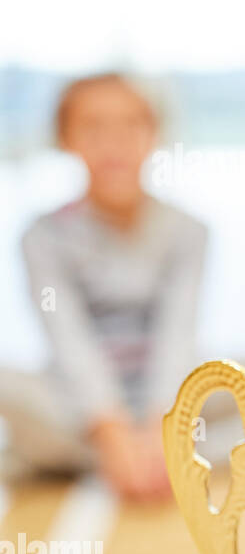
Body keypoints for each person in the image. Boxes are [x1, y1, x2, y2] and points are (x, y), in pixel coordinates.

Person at [1, 74, 206, 501]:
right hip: (77, 405)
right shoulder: (41, 236)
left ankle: (78, 460)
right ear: (65, 139)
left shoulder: (189, 231)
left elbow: (178, 334)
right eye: (93, 127)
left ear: (153, 134)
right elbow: (67, 339)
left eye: (130, 125)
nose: (113, 143)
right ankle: (139, 456)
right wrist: (110, 433)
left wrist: (162, 429)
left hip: (166, 402)